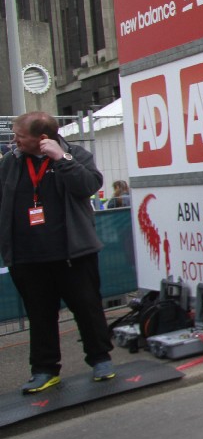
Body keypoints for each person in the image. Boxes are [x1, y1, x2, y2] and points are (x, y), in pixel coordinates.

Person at [0, 112, 114, 393]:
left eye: (20, 136)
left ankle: (100, 359)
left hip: (73, 254)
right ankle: (44, 369)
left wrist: (62, 159)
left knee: (87, 309)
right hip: (27, 256)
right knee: (39, 315)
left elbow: (89, 186)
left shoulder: (76, 155)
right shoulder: (11, 162)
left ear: (42, 138)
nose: (15, 140)